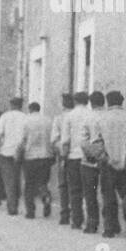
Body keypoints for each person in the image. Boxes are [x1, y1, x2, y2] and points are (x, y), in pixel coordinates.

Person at [90, 90, 126, 238]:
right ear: (121, 102)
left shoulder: (101, 119)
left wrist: (104, 157)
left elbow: (96, 143)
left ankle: (110, 227)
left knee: (108, 195)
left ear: (108, 102)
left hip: (108, 164)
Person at [20, 102, 55, 219]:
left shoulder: (26, 121)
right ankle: (45, 196)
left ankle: (30, 212)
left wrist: (19, 153)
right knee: (43, 182)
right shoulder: (48, 120)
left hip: (30, 156)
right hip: (46, 155)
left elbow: (23, 139)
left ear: (30, 109)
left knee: (29, 184)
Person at [61, 91, 90, 229]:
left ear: (75, 101)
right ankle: (90, 219)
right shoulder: (92, 114)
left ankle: (77, 220)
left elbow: (65, 140)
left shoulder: (69, 116)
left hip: (73, 156)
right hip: (89, 156)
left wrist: (63, 156)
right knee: (89, 189)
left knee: (75, 189)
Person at [79, 90, 106, 233]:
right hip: (106, 160)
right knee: (107, 192)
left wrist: (93, 154)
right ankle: (110, 224)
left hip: (89, 162)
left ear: (91, 103)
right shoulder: (108, 117)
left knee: (90, 193)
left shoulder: (88, 118)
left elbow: (83, 142)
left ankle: (92, 223)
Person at [0, 97, 27, 216]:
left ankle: (12, 206)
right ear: (21, 105)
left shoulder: (4, 117)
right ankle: (15, 203)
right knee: (17, 178)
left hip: (6, 152)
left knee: (9, 180)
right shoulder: (25, 117)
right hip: (20, 152)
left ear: (11, 105)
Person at [52, 92, 74, 225]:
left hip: (64, 155)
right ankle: (78, 213)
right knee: (77, 186)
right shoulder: (83, 116)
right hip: (81, 155)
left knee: (63, 185)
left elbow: (54, 139)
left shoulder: (59, 118)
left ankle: (65, 214)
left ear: (63, 104)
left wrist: (61, 151)